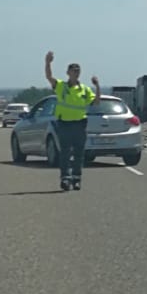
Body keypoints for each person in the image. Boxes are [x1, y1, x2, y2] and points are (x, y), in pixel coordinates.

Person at [44, 50, 101, 191]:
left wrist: (97, 86)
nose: (76, 72)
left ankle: (76, 178)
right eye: (74, 70)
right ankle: (65, 178)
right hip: (64, 124)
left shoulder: (85, 89)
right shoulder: (61, 87)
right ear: (68, 72)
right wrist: (48, 63)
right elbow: (49, 77)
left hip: (79, 124)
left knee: (78, 153)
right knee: (64, 152)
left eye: (78, 70)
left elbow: (96, 102)